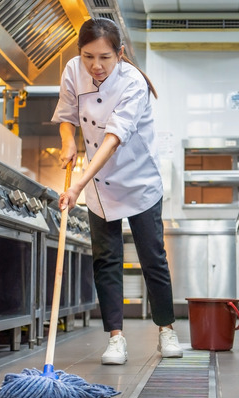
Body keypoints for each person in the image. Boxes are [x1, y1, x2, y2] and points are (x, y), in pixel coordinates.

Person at [52, 17, 183, 365]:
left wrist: (78, 182)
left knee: (152, 257)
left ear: (120, 53)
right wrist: (68, 142)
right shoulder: (72, 70)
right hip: (100, 186)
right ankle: (115, 338)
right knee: (106, 260)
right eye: (88, 56)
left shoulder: (134, 83)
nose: (95, 65)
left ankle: (166, 329)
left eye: (104, 58)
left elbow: (113, 138)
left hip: (139, 180)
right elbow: (67, 115)